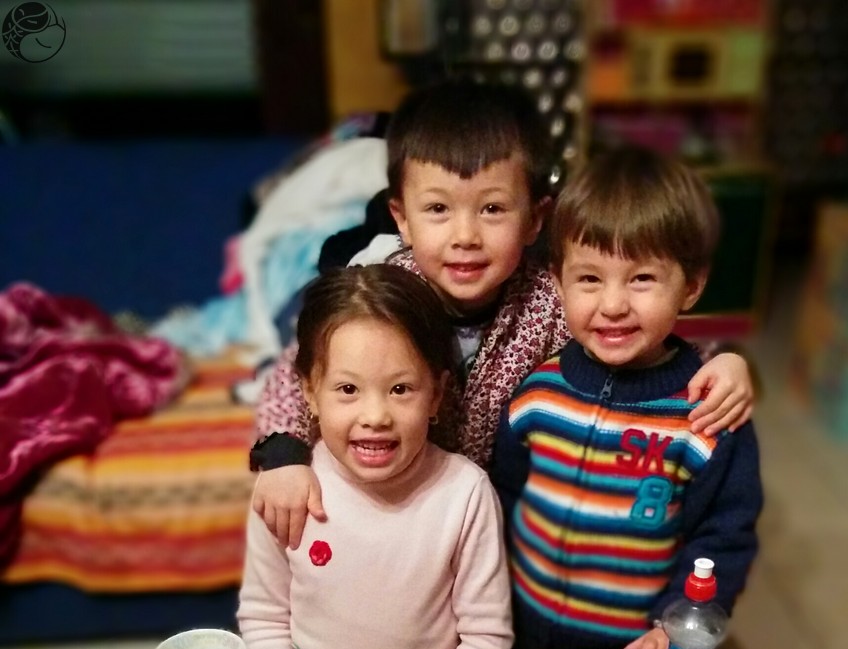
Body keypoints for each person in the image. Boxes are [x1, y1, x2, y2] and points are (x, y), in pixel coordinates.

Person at [249, 80, 755, 549]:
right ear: (402, 218)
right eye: (438, 210)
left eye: (492, 209)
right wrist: (282, 457)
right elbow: (298, 378)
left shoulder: (554, 300)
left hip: (500, 525)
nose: (465, 236)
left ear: (536, 219)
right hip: (384, 502)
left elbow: (639, 336)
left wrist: (723, 361)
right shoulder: (382, 298)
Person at [490, 146, 763, 649]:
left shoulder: (706, 415)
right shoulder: (536, 393)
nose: (613, 304)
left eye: (642, 279)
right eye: (589, 278)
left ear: (691, 286)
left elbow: (723, 537)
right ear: (558, 281)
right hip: (517, 627)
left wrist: (680, 617)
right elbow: (502, 495)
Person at [237, 264, 513, 649]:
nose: (376, 416)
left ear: (436, 395)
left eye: (401, 389)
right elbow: (265, 616)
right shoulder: (283, 491)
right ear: (310, 392)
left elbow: (486, 638)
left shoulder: (465, 492)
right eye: (348, 389)